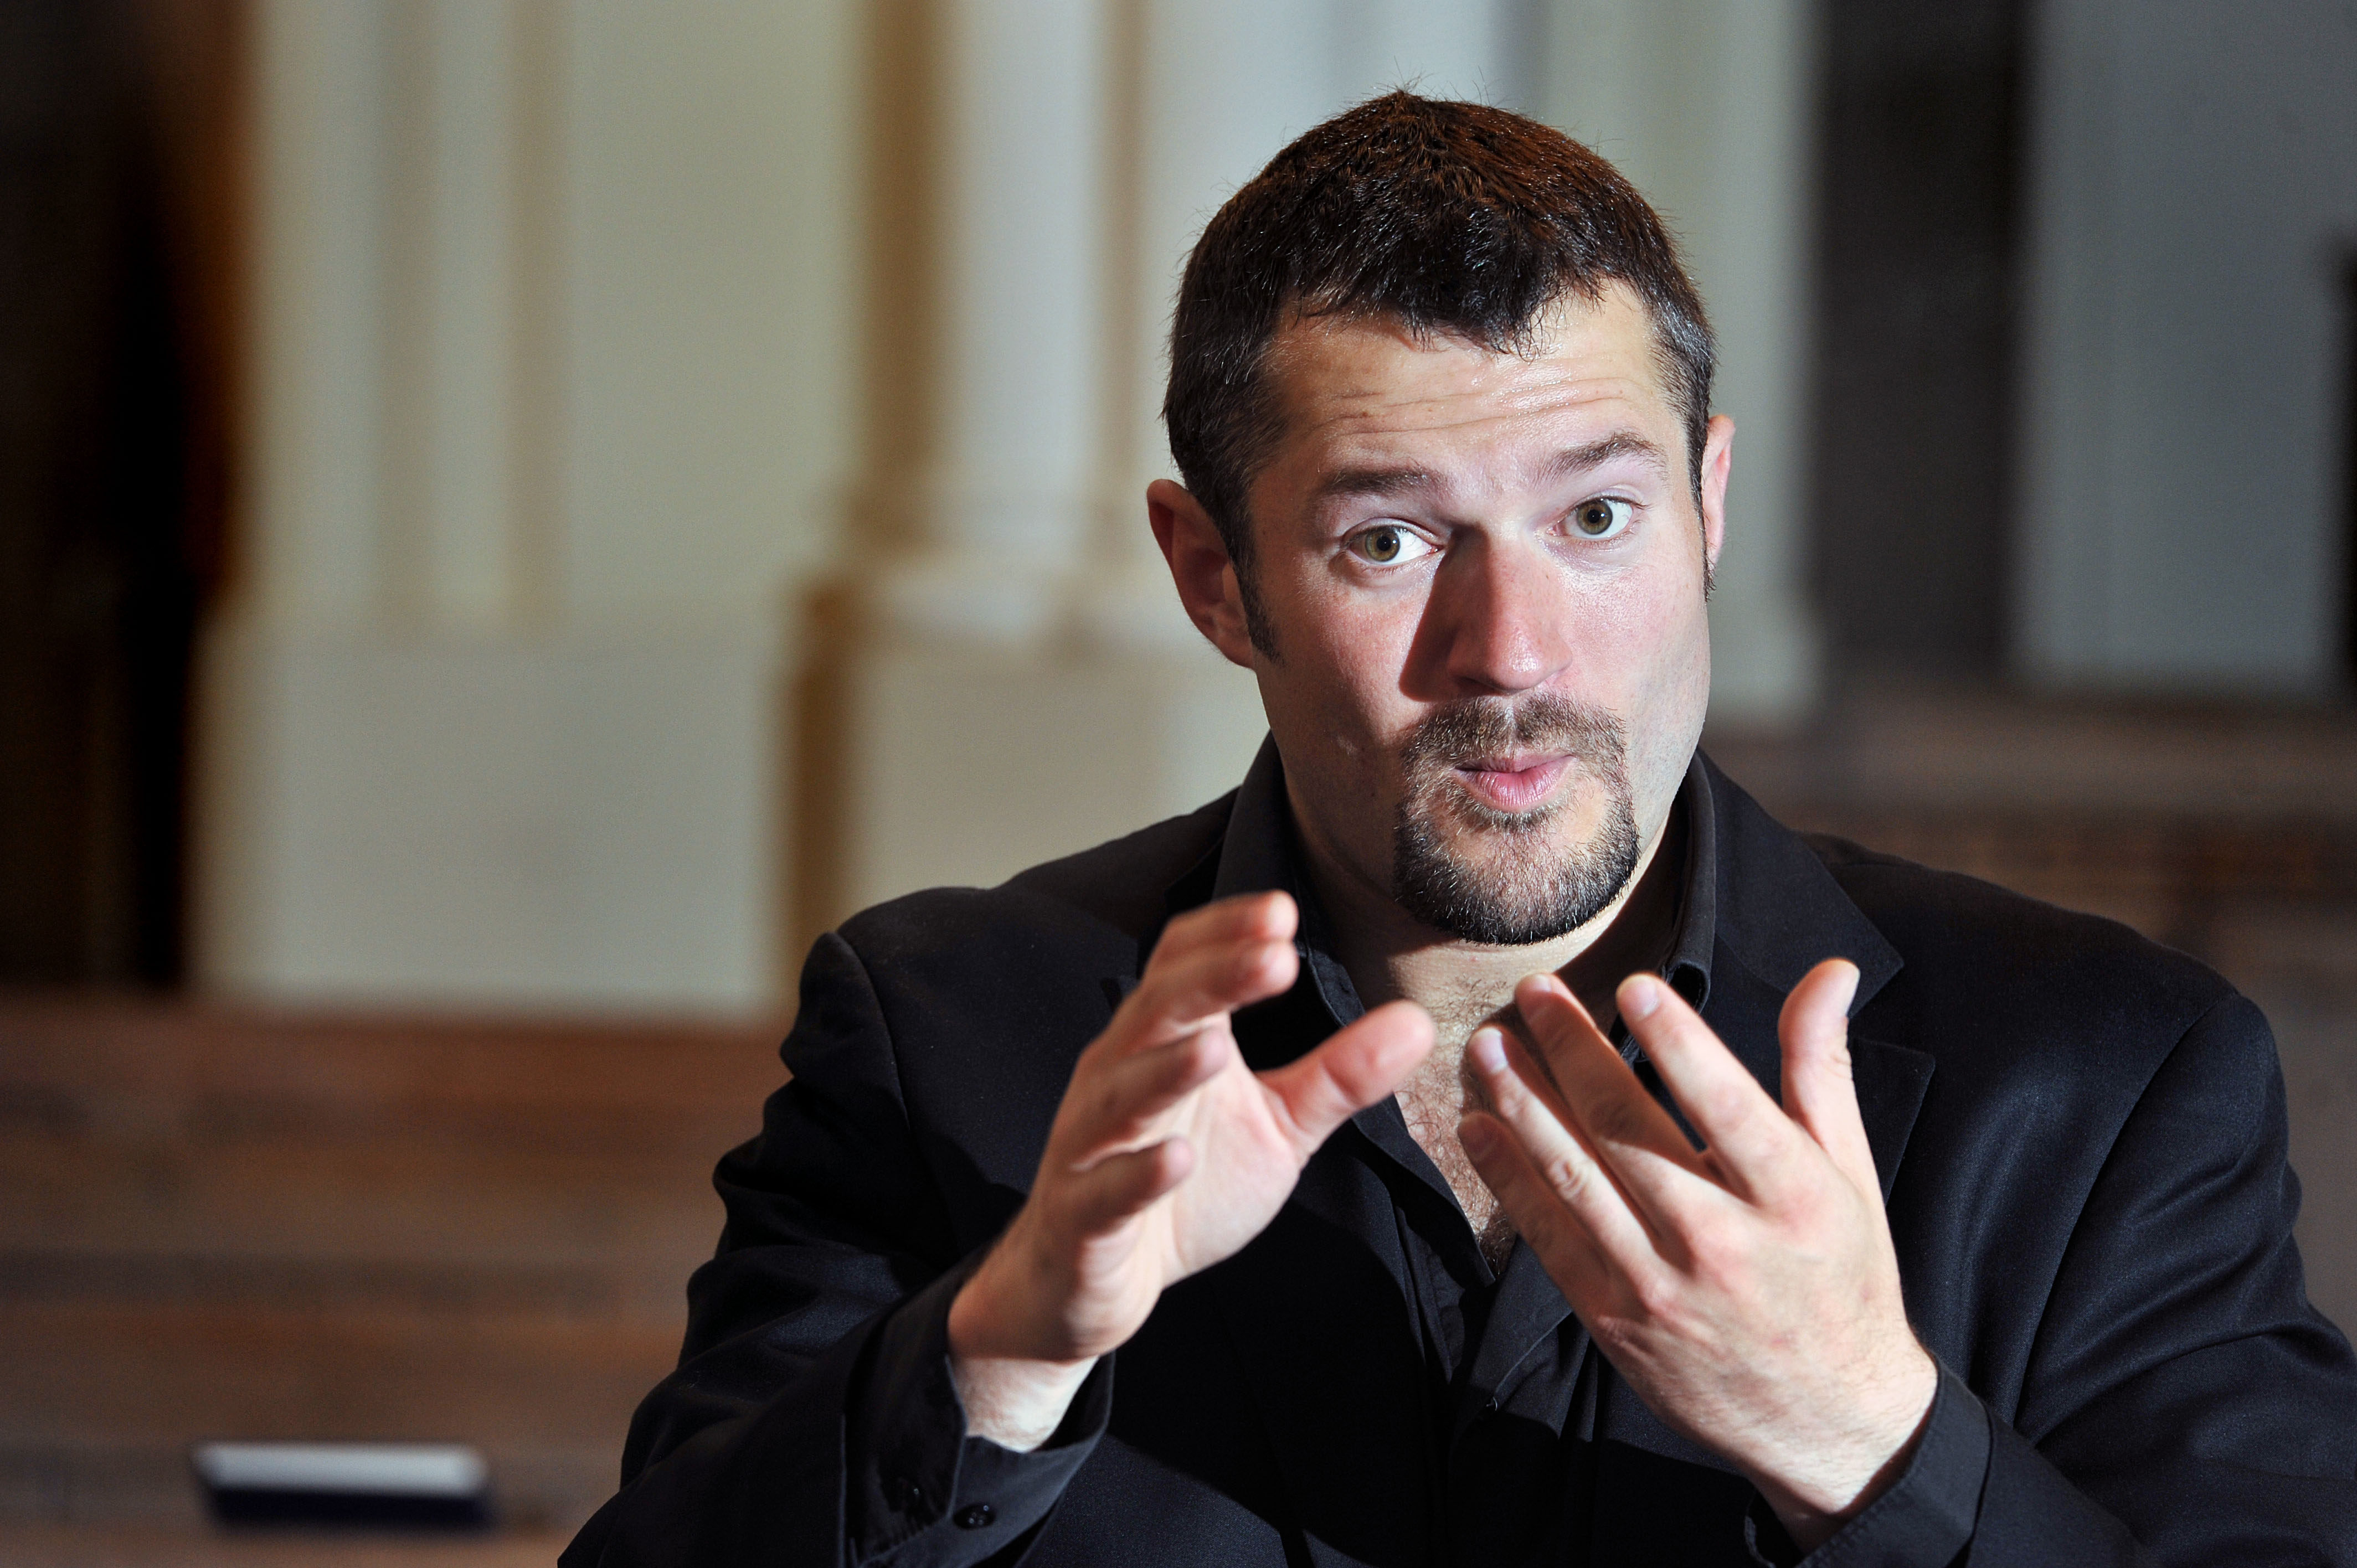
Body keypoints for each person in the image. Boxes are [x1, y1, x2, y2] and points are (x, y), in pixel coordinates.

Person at [562, 94, 2356, 1567]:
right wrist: (1002, 1347)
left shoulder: (2108, 1082)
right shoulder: (943, 1031)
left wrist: (1874, 1441)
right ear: (1216, 578)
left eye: (1595, 516)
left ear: (1709, 504)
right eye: (1389, 541)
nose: (1512, 654)